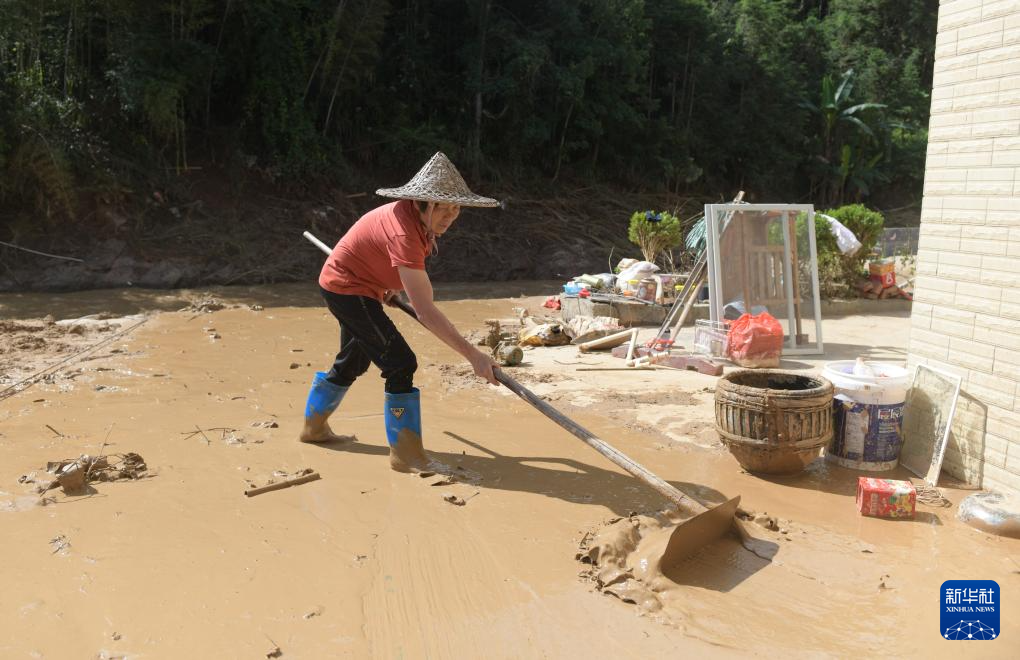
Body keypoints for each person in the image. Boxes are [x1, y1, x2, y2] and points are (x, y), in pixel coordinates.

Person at [300, 151, 500, 473]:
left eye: (456, 208)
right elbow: (426, 311)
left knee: (355, 357)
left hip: (360, 284)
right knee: (400, 362)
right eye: (443, 208)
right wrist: (474, 356)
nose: (450, 216)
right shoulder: (404, 233)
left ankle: (314, 429)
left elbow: (381, 259)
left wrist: (386, 288)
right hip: (346, 288)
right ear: (422, 204)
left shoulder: (415, 220)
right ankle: (406, 454)